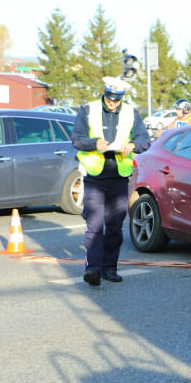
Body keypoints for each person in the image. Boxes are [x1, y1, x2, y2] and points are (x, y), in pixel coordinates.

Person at [71, 76, 151, 286]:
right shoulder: (88, 110)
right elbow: (77, 139)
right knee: (95, 225)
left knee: (115, 227)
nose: (112, 103)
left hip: (118, 177)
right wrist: (94, 143)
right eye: (109, 98)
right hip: (95, 177)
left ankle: (109, 269)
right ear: (104, 93)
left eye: (116, 99)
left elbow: (145, 141)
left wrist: (132, 145)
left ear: (122, 97)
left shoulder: (130, 112)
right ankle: (93, 270)